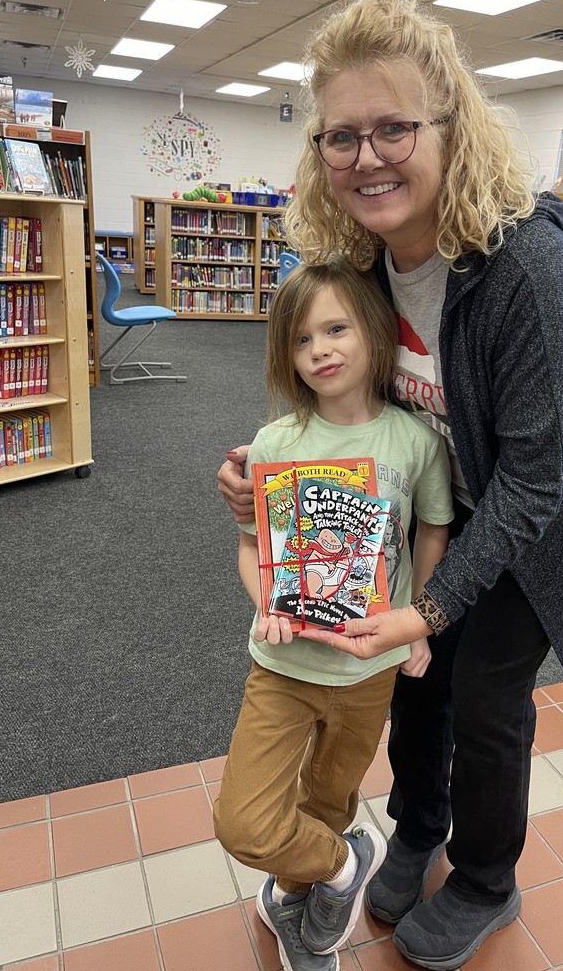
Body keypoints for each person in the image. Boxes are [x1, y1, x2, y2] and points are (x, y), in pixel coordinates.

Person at [218, 0, 563, 971]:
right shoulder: (358, 261)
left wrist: (431, 606)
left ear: (450, 127)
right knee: (416, 687)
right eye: (342, 136)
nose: (367, 156)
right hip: (444, 500)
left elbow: (538, 482)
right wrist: (261, 484)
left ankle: (489, 877)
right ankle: (418, 826)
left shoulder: (524, 268)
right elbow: (346, 409)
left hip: (553, 517)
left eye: (395, 128)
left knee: (488, 693)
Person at [212, 256, 454, 971]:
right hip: (283, 667)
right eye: (300, 339)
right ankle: (344, 870)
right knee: (244, 820)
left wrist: (422, 620)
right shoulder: (276, 446)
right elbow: (252, 550)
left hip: (369, 669)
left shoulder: (413, 443)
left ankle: (299, 905)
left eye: (336, 329)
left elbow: (432, 532)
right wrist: (269, 606)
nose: (319, 349)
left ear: (376, 334)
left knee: (328, 798)